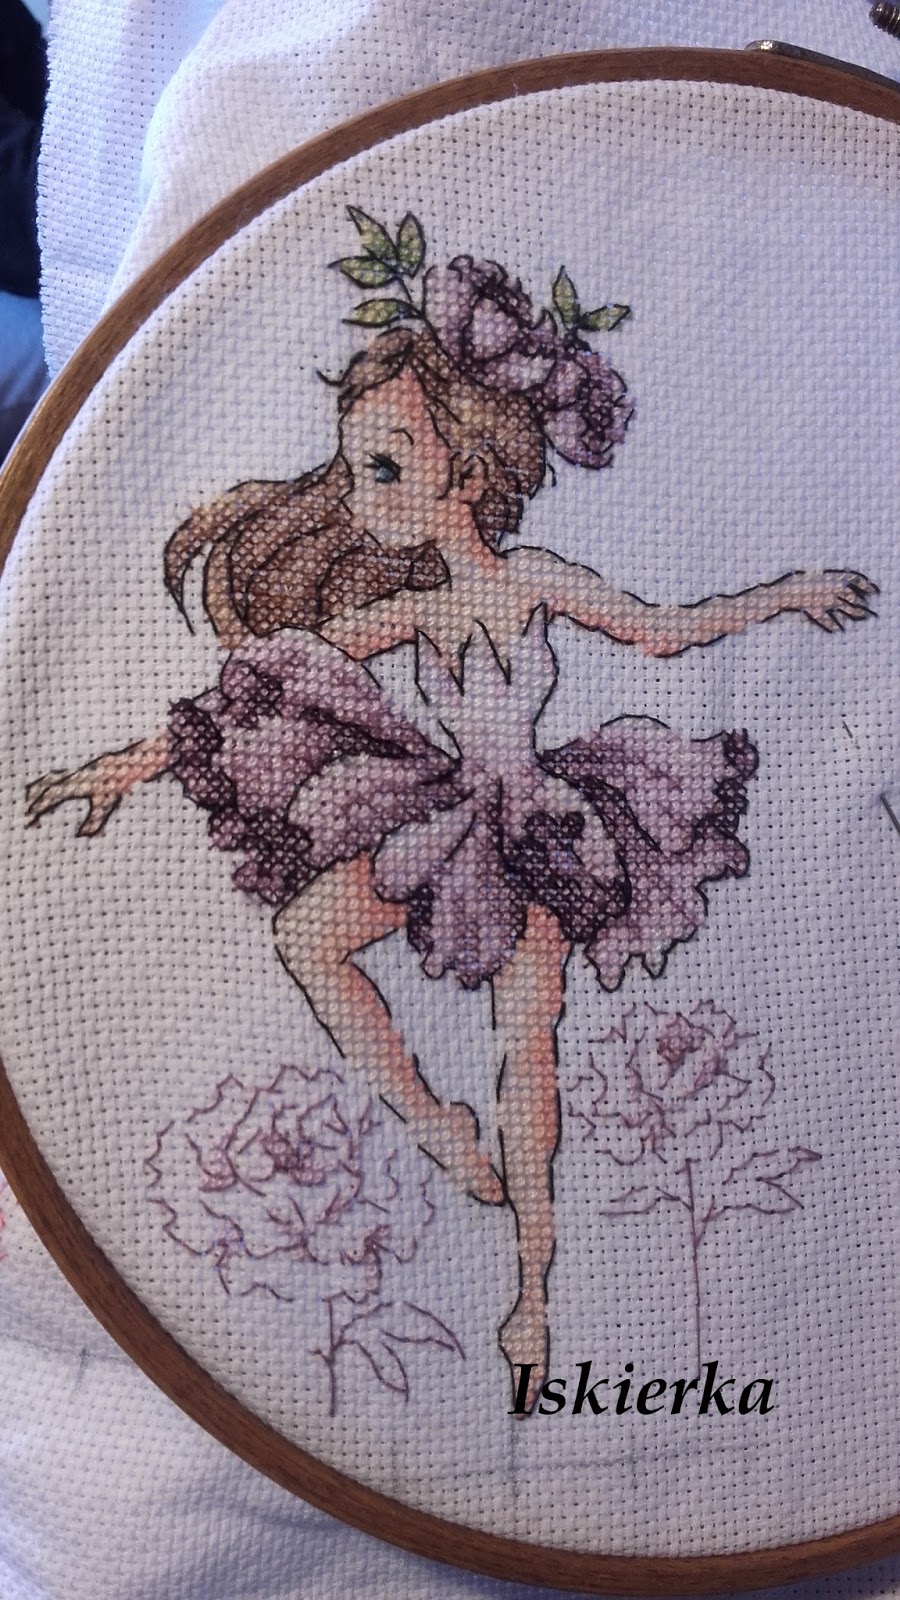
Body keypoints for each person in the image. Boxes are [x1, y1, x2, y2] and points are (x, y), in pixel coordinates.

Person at [24, 224, 876, 1411]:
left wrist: (789, 592)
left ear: (465, 476)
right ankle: (430, 1123)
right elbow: (265, 684)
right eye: (355, 468)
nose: (359, 496)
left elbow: (664, 631)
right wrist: (132, 763)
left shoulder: (533, 583)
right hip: (444, 816)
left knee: (531, 1052)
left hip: (547, 833)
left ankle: (531, 1301)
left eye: (384, 467)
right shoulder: (415, 609)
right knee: (309, 938)